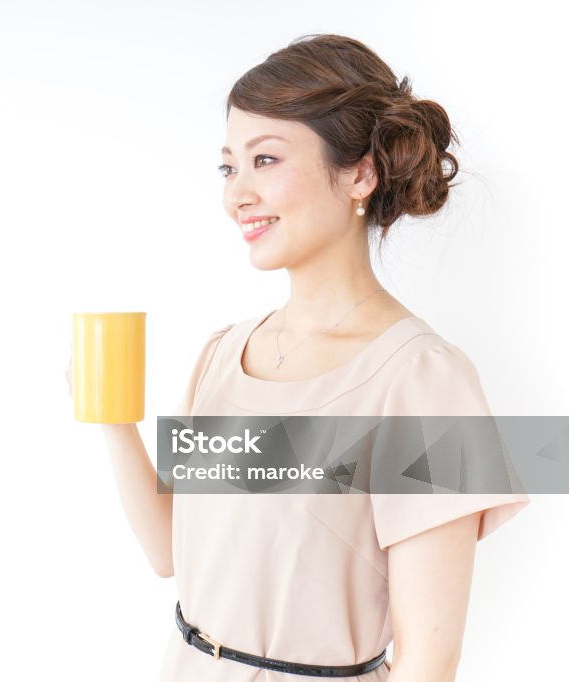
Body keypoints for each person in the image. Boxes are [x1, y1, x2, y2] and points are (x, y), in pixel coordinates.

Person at [67, 34, 529, 681]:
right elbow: (170, 551)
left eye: (266, 160)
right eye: (230, 166)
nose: (238, 194)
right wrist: (114, 421)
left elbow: (430, 662)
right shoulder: (221, 354)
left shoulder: (426, 381)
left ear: (360, 174)